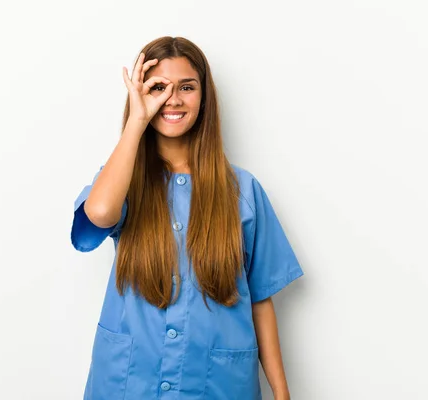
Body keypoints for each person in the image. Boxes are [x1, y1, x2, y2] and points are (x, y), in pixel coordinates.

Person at [70, 36, 304, 400]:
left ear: (204, 97)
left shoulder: (243, 189)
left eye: (187, 87)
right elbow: (99, 214)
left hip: (217, 385)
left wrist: (282, 393)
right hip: (130, 384)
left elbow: (260, 299)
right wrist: (137, 120)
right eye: (158, 87)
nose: (173, 99)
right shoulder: (122, 181)